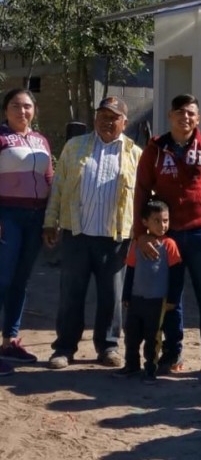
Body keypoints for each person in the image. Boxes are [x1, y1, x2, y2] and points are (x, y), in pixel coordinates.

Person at [133, 94, 201, 380]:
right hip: (169, 236)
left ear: (198, 118)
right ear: (170, 116)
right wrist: (141, 233)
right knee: (171, 297)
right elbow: (141, 190)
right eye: (179, 113)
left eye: (190, 113)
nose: (184, 117)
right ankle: (172, 354)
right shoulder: (155, 150)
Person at [44, 97, 142, 369]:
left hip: (115, 238)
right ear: (95, 118)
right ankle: (64, 348)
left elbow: (145, 196)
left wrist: (143, 231)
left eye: (113, 117)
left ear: (124, 122)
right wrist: (50, 222)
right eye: (102, 116)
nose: (107, 121)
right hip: (78, 233)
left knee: (111, 296)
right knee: (71, 294)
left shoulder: (135, 154)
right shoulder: (75, 147)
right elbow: (59, 187)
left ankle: (109, 346)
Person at [0, 89, 53, 376]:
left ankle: (10, 341)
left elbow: (49, 178)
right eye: (15, 106)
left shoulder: (40, 140)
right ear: (6, 110)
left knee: (21, 281)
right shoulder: (1, 138)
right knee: (2, 280)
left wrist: (51, 219)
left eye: (27, 106)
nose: (22, 111)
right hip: (7, 215)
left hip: (36, 217)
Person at [116, 198, 183, 384]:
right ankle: (131, 365)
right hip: (137, 299)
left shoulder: (169, 245)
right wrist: (126, 295)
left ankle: (150, 369)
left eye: (165, 221)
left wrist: (173, 299)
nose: (162, 225)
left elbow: (177, 274)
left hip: (157, 301)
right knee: (131, 333)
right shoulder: (138, 244)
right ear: (145, 222)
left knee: (153, 337)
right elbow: (129, 270)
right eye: (157, 221)